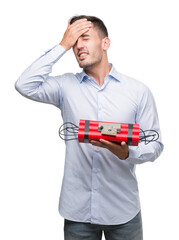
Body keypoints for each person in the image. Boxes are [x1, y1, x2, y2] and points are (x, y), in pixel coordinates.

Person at [15, 15, 164, 240]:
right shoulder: (64, 86)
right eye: (74, 41)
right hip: (78, 213)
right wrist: (61, 45)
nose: (78, 46)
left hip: (123, 211)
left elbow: (155, 145)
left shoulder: (137, 91)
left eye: (84, 37)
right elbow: (24, 84)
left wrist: (127, 153)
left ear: (105, 43)